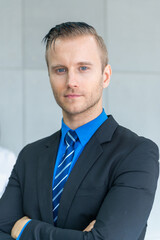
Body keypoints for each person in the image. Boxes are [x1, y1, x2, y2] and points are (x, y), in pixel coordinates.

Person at [0, 22, 159, 240]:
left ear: (105, 76)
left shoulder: (137, 154)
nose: (71, 81)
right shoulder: (30, 156)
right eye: (60, 70)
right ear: (49, 77)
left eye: (83, 68)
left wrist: (26, 229)